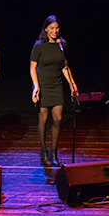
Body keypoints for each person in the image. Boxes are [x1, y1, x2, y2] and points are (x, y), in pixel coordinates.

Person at [30, 15, 79, 167]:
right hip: (43, 84)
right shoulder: (39, 46)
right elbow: (32, 68)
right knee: (43, 118)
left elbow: (64, 66)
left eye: (57, 28)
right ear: (46, 29)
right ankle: (43, 151)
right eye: (52, 28)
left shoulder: (61, 44)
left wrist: (72, 84)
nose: (55, 31)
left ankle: (54, 152)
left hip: (57, 85)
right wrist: (36, 86)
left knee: (57, 118)